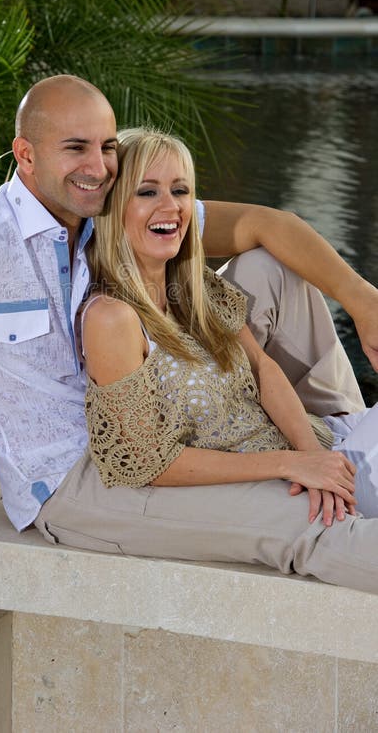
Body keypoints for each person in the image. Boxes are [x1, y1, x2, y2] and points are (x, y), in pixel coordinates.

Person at [0, 75, 378, 593]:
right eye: (75, 148)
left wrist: (365, 300)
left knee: (272, 266)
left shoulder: (113, 212)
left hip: (146, 423)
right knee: (304, 524)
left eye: (107, 147)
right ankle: (340, 470)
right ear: (25, 155)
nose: (97, 166)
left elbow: (263, 224)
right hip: (77, 483)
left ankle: (340, 434)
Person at [81, 127, 378, 526]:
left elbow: (263, 370)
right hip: (279, 485)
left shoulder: (193, 288)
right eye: (147, 192)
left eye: (181, 191)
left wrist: (315, 458)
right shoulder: (111, 318)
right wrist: (291, 465)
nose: (171, 207)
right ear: (112, 206)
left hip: (326, 445)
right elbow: (146, 460)